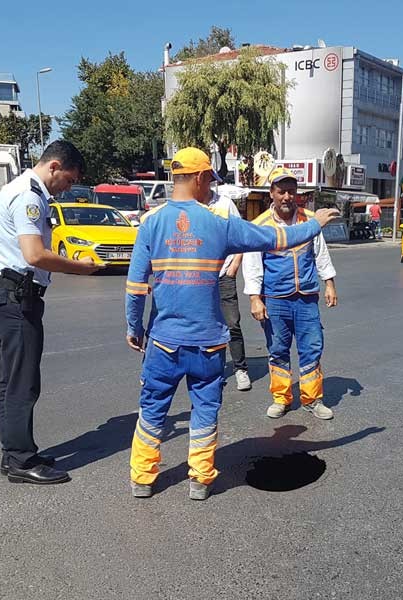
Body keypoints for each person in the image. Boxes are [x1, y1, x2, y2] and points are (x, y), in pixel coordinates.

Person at [125, 148, 340, 501]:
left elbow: (135, 289)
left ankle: (143, 479)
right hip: (208, 344)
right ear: (197, 178)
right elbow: (277, 239)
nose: (211, 186)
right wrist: (316, 223)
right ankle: (200, 479)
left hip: (163, 343)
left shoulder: (150, 222)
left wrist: (134, 327)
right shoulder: (219, 225)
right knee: (205, 411)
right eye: (210, 179)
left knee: (152, 411)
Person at [0, 140, 101, 485]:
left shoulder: (23, 189)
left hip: (8, 295)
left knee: (11, 380)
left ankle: (15, 452)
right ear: (54, 167)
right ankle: (20, 459)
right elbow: (34, 255)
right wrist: (79, 267)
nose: (66, 188)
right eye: (67, 180)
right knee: (22, 383)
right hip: (16, 299)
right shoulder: (30, 196)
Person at [243, 167, 338, 421]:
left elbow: (320, 252)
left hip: (306, 298)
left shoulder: (310, 220)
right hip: (275, 299)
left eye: (291, 192)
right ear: (271, 194)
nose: (287, 197)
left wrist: (329, 282)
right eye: (281, 191)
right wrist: (255, 298)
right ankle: (281, 398)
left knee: (312, 348)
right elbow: (252, 263)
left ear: (297, 195)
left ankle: (312, 399)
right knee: (277, 349)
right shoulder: (260, 225)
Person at [199, 186, 251, 391]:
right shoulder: (192, 204)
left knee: (232, 323)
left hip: (224, 274)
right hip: (201, 276)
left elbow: (240, 234)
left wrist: (235, 264)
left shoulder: (224, 203)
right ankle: (213, 372)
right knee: (207, 325)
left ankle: (241, 369)